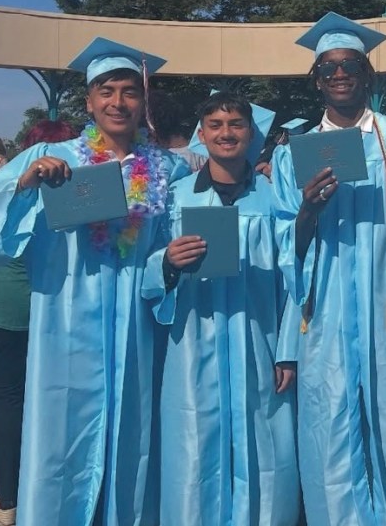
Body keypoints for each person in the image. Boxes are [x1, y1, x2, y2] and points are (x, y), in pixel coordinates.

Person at [0, 38, 190, 526]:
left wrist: (167, 263)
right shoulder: (51, 155)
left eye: (129, 92)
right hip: (66, 312)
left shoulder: (167, 168)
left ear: (143, 101)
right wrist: (25, 183)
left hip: (137, 320)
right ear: (89, 102)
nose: (118, 102)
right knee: (63, 426)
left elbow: (171, 242)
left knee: (133, 427)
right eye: (106, 91)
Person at [271, 12, 386, 526]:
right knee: (332, 427)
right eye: (328, 68)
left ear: (367, 74)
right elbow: (285, 243)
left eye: (350, 65)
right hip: (326, 315)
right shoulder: (294, 155)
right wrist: (308, 210)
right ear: (316, 80)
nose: (339, 74)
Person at [146, 91, 301, 526]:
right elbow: (146, 274)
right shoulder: (175, 198)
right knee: (194, 448)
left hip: (259, 342)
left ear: (251, 133)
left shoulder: (274, 198)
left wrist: (288, 350)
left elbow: (295, 278)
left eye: (236, 124)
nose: (226, 133)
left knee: (264, 446)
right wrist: (166, 263)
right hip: (193, 347)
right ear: (202, 133)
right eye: (215, 125)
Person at [0, 119, 78, 526]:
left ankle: (9, 498)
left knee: (11, 399)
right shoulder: (80, 191)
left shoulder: (17, 187)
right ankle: (52, 487)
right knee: (57, 399)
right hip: (56, 307)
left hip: (12, 305)